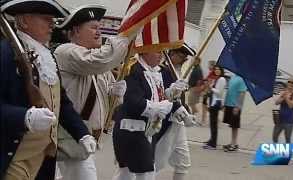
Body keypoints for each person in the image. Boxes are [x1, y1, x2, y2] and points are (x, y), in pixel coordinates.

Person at [0, 0, 96, 179]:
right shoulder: (5, 53)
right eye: (46, 18)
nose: (53, 24)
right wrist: (25, 117)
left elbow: (62, 102)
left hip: (45, 157)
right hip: (14, 157)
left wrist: (82, 134)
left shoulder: (47, 56)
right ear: (24, 21)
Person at [53, 5, 129, 180]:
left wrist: (114, 92)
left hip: (87, 139)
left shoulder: (94, 59)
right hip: (71, 136)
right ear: (76, 31)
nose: (99, 32)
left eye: (99, 27)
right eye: (93, 27)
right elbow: (100, 60)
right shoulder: (66, 51)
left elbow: (108, 99)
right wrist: (125, 37)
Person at [112, 52, 190, 180]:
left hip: (147, 130)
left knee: (126, 174)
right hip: (131, 129)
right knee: (145, 173)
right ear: (147, 50)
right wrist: (160, 107)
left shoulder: (156, 71)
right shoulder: (132, 69)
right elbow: (133, 102)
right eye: (157, 52)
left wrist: (173, 91)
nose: (161, 56)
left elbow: (158, 96)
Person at [153, 44, 197, 180]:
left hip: (178, 123)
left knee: (183, 162)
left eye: (185, 57)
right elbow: (166, 97)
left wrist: (187, 112)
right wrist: (183, 114)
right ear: (171, 54)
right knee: (154, 162)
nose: (184, 59)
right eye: (181, 56)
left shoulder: (178, 73)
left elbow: (180, 98)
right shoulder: (164, 71)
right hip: (165, 122)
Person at [203, 65, 226, 150]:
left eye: (218, 69)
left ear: (221, 70)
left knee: (214, 123)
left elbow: (219, 92)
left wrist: (210, 88)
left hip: (216, 103)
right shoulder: (216, 79)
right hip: (212, 102)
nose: (217, 71)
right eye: (215, 69)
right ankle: (211, 140)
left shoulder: (222, 79)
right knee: (212, 123)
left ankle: (213, 144)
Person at [222, 74, 247, 152]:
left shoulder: (242, 79)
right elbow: (228, 91)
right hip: (229, 104)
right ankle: (232, 143)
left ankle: (234, 144)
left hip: (235, 106)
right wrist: (225, 103)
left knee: (235, 126)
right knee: (232, 125)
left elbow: (242, 93)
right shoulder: (232, 77)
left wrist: (238, 106)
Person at [273, 78, 293, 143]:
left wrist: (286, 98)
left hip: (289, 121)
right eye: (289, 82)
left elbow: (291, 106)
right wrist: (283, 96)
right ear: (287, 83)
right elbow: (276, 103)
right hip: (280, 119)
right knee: (274, 136)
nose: (291, 83)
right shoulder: (284, 92)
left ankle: (287, 152)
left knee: (287, 138)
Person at [201, 61, 217, 126]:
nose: (208, 66)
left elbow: (209, 83)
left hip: (209, 93)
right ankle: (204, 120)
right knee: (206, 106)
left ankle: (204, 121)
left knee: (205, 106)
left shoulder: (213, 74)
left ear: (212, 66)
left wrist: (204, 91)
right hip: (210, 92)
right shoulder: (211, 73)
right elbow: (207, 80)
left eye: (209, 65)